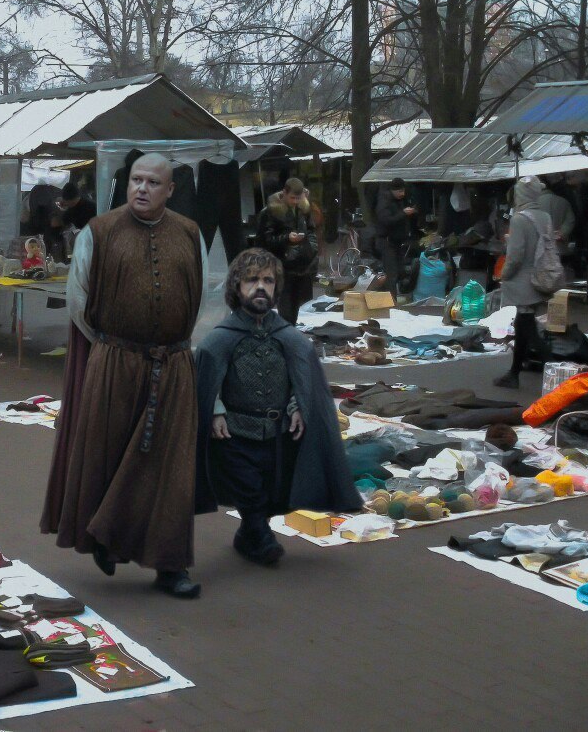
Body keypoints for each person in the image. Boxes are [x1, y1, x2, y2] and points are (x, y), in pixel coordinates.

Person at [41, 153, 209, 599]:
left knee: (172, 469)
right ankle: (103, 537)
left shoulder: (190, 234)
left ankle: (171, 566)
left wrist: (175, 351)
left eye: (153, 182)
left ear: (169, 189)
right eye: (136, 179)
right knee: (107, 455)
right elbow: (78, 301)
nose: (142, 188)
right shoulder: (100, 231)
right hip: (115, 360)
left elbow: (200, 295)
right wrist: (112, 348)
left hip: (172, 365)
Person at [194, 248, 358, 564]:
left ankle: (248, 535)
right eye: (252, 279)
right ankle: (264, 541)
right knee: (250, 491)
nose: (260, 287)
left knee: (272, 493)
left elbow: (305, 380)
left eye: (268, 281)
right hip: (235, 433)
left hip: (278, 431)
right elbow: (204, 381)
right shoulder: (222, 338)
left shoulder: (289, 336)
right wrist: (214, 409)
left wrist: (299, 405)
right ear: (236, 287)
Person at [494, 177, 553, 389]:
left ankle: (556, 366)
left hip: (522, 280)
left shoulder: (519, 219)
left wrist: (505, 274)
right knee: (523, 325)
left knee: (527, 328)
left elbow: (516, 255)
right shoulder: (544, 216)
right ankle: (514, 371)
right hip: (539, 276)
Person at [255, 178, 317, 322]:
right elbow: (264, 241)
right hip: (282, 266)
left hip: (303, 264)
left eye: (298, 198)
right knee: (286, 308)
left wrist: (312, 249)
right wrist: (287, 238)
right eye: (292, 198)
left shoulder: (304, 209)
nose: (295, 201)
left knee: (303, 308)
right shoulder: (270, 212)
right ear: (284, 193)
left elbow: (312, 230)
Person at [374, 177, 417, 294]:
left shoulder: (401, 201)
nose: (402, 194)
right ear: (393, 190)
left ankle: (391, 294)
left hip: (397, 242)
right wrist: (403, 213)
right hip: (386, 242)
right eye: (399, 191)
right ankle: (390, 301)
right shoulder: (384, 202)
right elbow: (385, 220)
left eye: (403, 191)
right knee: (391, 273)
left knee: (400, 271)